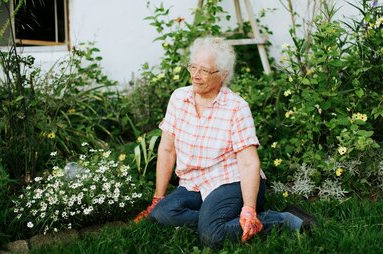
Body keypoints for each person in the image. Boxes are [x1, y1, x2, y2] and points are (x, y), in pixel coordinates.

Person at [134, 36, 316, 249]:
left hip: (231, 181)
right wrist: (158, 197)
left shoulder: (236, 107)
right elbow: (167, 150)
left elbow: (248, 163)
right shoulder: (178, 98)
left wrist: (248, 207)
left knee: (212, 237)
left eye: (204, 70)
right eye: (193, 67)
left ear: (222, 74)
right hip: (194, 183)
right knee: (161, 214)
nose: (195, 75)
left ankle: (284, 219)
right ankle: (215, 220)